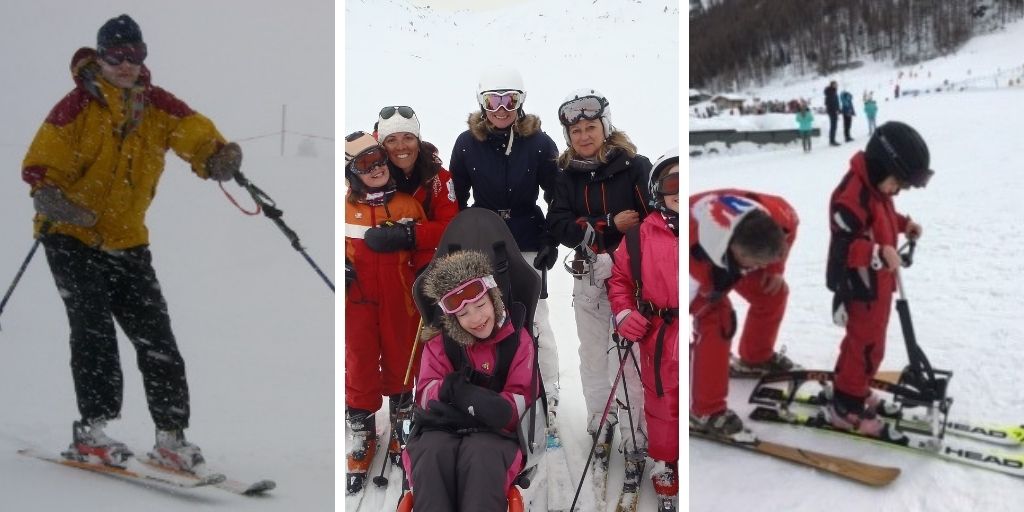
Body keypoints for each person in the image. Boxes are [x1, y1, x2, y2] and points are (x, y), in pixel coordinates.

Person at [21, 14, 242, 471]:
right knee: (94, 329)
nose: (126, 65)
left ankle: (170, 438)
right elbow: (41, 167)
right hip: (70, 237)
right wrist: (53, 201)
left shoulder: (156, 106)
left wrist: (217, 157)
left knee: (157, 337)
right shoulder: (75, 107)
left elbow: (195, 136)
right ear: (100, 57)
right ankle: (92, 432)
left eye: (135, 55)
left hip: (127, 240)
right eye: (117, 56)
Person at [547, 88, 650, 460]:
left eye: (591, 127)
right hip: (588, 275)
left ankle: (635, 429)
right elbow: (558, 225)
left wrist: (620, 237)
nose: (584, 136)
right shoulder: (565, 174)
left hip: (630, 277)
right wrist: (607, 223)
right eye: (576, 132)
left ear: (605, 127)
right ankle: (599, 419)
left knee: (628, 358)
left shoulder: (635, 166)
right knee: (592, 354)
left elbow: (651, 221)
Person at [449, 68, 561, 407]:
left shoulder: (539, 142)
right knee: (484, 317)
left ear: (521, 101)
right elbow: (457, 199)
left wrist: (550, 240)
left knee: (534, 319)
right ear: (482, 103)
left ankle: (547, 395)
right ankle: (494, 387)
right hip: (483, 241)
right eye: (493, 100)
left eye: (510, 100)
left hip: (526, 237)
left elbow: (557, 195)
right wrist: (458, 242)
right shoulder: (467, 144)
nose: (501, 108)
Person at [403, 250, 537, 511]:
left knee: (481, 458)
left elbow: (522, 398)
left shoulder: (518, 342)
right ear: (452, 318)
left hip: (495, 434)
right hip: (443, 428)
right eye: (463, 314)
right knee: (431, 455)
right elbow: (427, 390)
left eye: (480, 306)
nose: (475, 319)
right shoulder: (442, 343)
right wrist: (447, 390)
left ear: (493, 299)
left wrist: (488, 403)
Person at [825, 121, 932, 439]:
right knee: (866, 345)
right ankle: (847, 406)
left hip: (880, 282)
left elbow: (883, 215)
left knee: (870, 344)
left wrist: (904, 224)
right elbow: (844, 249)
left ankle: (853, 387)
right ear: (880, 164)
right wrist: (878, 253)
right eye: (898, 182)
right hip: (861, 286)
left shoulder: (875, 187)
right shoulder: (850, 197)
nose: (897, 191)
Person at [344, 131, 433, 493]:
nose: (377, 168)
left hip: (400, 298)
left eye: (379, 159)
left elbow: (425, 251)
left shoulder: (407, 206)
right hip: (358, 302)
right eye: (365, 164)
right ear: (351, 172)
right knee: (360, 361)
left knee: (402, 358)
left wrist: (426, 277)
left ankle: (403, 422)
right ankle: (362, 429)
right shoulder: (344, 208)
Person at [368, 105, 459, 454]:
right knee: (374, 346)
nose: (401, 146)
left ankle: (411, 409)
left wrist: (411, 236)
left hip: (423, 272)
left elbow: (450, 226)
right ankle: (368, 414)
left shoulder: (438, 178)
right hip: (378, 274)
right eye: (392, 139)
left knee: (419, 344)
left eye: (408, 136)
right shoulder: (369, 172)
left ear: (418, 139)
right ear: (381, 141)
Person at [688, 189, 800, 436]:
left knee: (772, 291)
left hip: (727, 247)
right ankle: (705, 412)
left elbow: (791, 225)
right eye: (757, 264)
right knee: (717, 320)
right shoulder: (689, 257)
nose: (760, 269)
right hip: (690, 263)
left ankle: (755, 358)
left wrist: (776, 268)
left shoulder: (777, 213)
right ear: (736, 253)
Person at [607, 149, 680, 504]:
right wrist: (623, 313)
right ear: (658, 190)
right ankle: (666, 460)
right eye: (673, 182)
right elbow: (619, 280)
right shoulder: (640, 236)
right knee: (661, 401)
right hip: (660, 334)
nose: (682, 190)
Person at [824, 80, 840, 146]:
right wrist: (835, 110)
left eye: (836, 84)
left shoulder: (834, 91)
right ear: (832, 85)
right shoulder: (831, 92)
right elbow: (829, 102)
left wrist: (838, 109)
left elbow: (836, 102)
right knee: (833, 126)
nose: (836, 85)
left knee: (834, 126)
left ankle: (832, 140)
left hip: (834, 111)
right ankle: (832, 141)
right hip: (832, 111)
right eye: (835, 84)